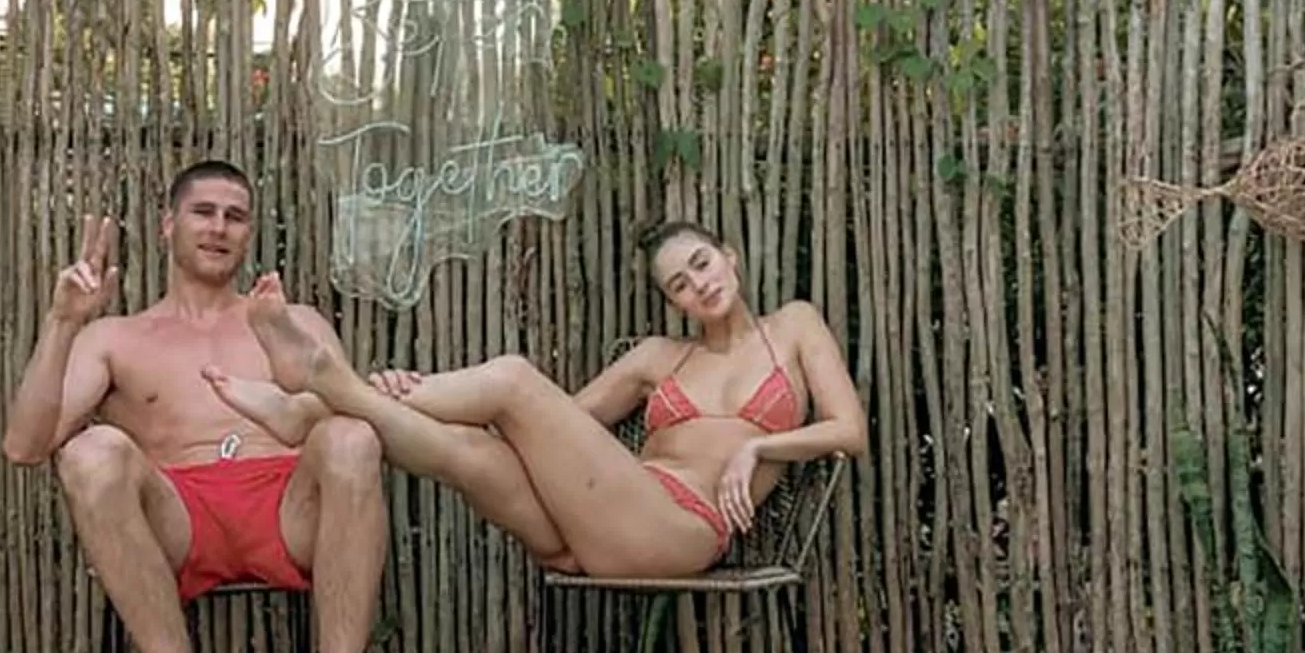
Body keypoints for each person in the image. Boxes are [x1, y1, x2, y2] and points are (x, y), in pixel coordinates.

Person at [0, 161, 401, 653]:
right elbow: (25, 447)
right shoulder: (117, 336)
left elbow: (356, 418)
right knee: (88, 451)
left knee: (351, 435)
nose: (219, 228)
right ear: (168, 225)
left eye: (235, 217)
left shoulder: (293, 322)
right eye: (203, 212)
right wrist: (63, 323)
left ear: (250, 233)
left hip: (288, 510)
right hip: (177, 518)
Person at [208, 217, 865, 581]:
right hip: (594, 525)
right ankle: (323, 402)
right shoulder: (659, 358)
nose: (698, 285)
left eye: (701, 264)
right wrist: (428, 400)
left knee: (515, 380)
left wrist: (760, 446)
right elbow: (557, 426)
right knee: (469, 447)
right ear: (671, 304)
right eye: (679, 286)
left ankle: (321, 398)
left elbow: (848, 431)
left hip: (679, 530)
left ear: (730, 256)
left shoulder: (795, 326)